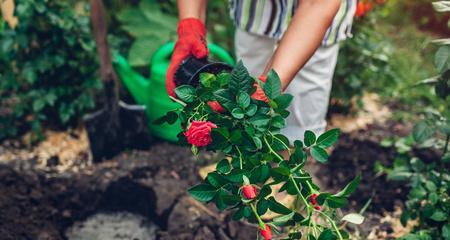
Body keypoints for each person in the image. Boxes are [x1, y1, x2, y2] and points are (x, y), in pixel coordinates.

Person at [166, 0, 357, 142]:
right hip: (256, 8)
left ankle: (290, 172)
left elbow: (317, 5)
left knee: (306, 92)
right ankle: (251, 166)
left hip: (317, 13)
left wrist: (268, 86)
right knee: (249, 72)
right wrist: (190, 24)